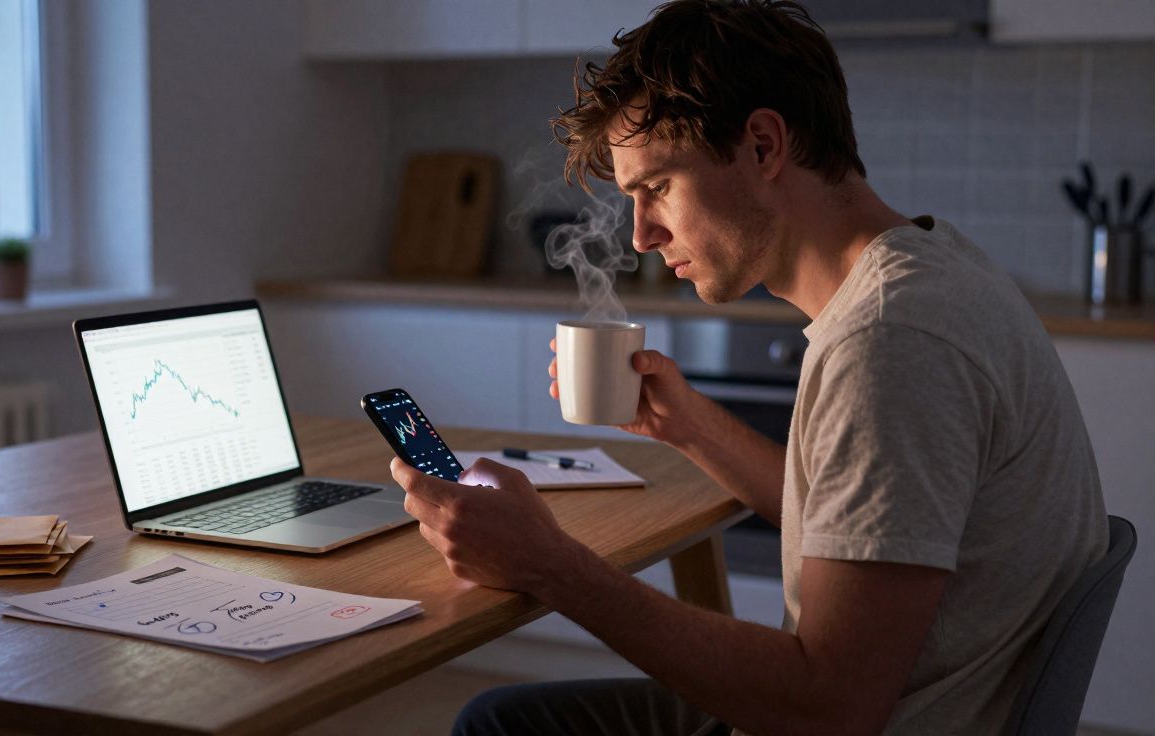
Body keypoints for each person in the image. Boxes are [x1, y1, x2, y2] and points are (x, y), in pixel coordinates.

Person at [388, 1, 1109, 733]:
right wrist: (688, 425)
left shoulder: (891, 339)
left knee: (499, 726)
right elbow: (854, 525)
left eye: (658, 187)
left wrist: (551, 565)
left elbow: (830, 705)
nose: (639, 236)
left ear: (763, 145)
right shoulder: (932, 266)